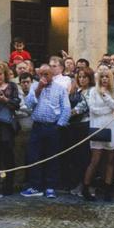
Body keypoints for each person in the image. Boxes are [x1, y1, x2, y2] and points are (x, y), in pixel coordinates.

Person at [21, 64, 71, 198]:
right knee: (34, 157)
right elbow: (29, 104)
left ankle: (50, 187)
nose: (43, 77)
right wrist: (38, 88)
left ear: (52, 75)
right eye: (41, 74)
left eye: (46, 74)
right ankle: (35, 186)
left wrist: (59, 125)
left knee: (52, 157)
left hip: (52, 127)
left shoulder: (60, 89)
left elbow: (66, 108)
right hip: (37, 126)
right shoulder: (34, 86)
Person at [82, 67, 114, 201]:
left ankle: (107, 189)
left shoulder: (113, 92)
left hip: (112, 127)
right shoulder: (93, 91)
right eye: (102, 76)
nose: (104, 79)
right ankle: (85, 187)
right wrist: (108, 108)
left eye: (106, 76)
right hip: (97, 127)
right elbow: (93, 109)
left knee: (110, 160)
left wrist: (106, 96)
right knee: (95, 160)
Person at [0, 62, 21, 196]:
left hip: (7, 126)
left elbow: (16, 104)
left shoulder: (12, 86)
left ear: (5, 74)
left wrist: (5, 99)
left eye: (0, 74)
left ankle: (8, 186)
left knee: (8, 157)